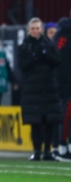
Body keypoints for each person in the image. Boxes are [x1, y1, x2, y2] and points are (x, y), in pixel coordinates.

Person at [18, 17, 62, 161]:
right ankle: (37, 151)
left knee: (50, 121)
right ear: (29, 30)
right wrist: (35, 57)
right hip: (31, 90)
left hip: (49, 88)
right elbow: (22, 66)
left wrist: (45, 54)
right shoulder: (24, 46)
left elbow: (57, 61)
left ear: (41, 30)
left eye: (38, 28)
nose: (36, 31)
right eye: (33, 28)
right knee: (35, 123)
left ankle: (48, 151)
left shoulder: (49, 44)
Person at [53, 14, 71, 160]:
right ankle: (63, 145)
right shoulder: (63, 33)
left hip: (63, 82)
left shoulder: (61, 34)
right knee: (66, 114)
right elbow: (60, 60)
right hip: (66, 83)